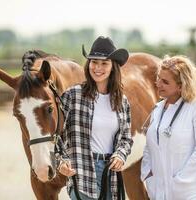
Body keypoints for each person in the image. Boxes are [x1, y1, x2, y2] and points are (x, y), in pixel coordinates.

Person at [59, 36, 133, 200]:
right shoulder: (72, 96)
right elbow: (57, 136)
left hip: (111, 175)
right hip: (82, 173)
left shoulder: (122, 101)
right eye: (94, 62)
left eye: (104, 63)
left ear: (113, 67)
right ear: (88, 64)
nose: (98, 68)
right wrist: (61, 160)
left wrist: (121, 154)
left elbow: (126, 138)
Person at [141, 55, 196, 200]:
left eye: (165, 82)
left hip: (186, 192)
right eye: (158, 78)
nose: (158, 84)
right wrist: (147, 173)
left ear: (181, 86)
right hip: (157, 190)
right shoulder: (158, 108)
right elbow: (150, 145)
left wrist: (180, 181)